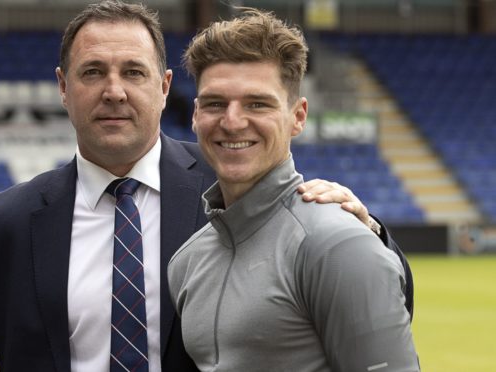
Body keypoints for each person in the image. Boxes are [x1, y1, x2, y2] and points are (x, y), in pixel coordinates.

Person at [0, 2, 412, 371]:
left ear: (165, 85)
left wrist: (369, 234)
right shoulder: (5, 224)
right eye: (93, 72)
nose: (114, 91)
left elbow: (372, 303)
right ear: (63, 86)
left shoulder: (235, 180)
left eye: (133, 71)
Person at [168, 8, 419, 372]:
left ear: (298, 116)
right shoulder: (187, 262)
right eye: (215, 103)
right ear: (195, 115)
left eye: (258, 104)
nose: (233, 121)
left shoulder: (336, 245)